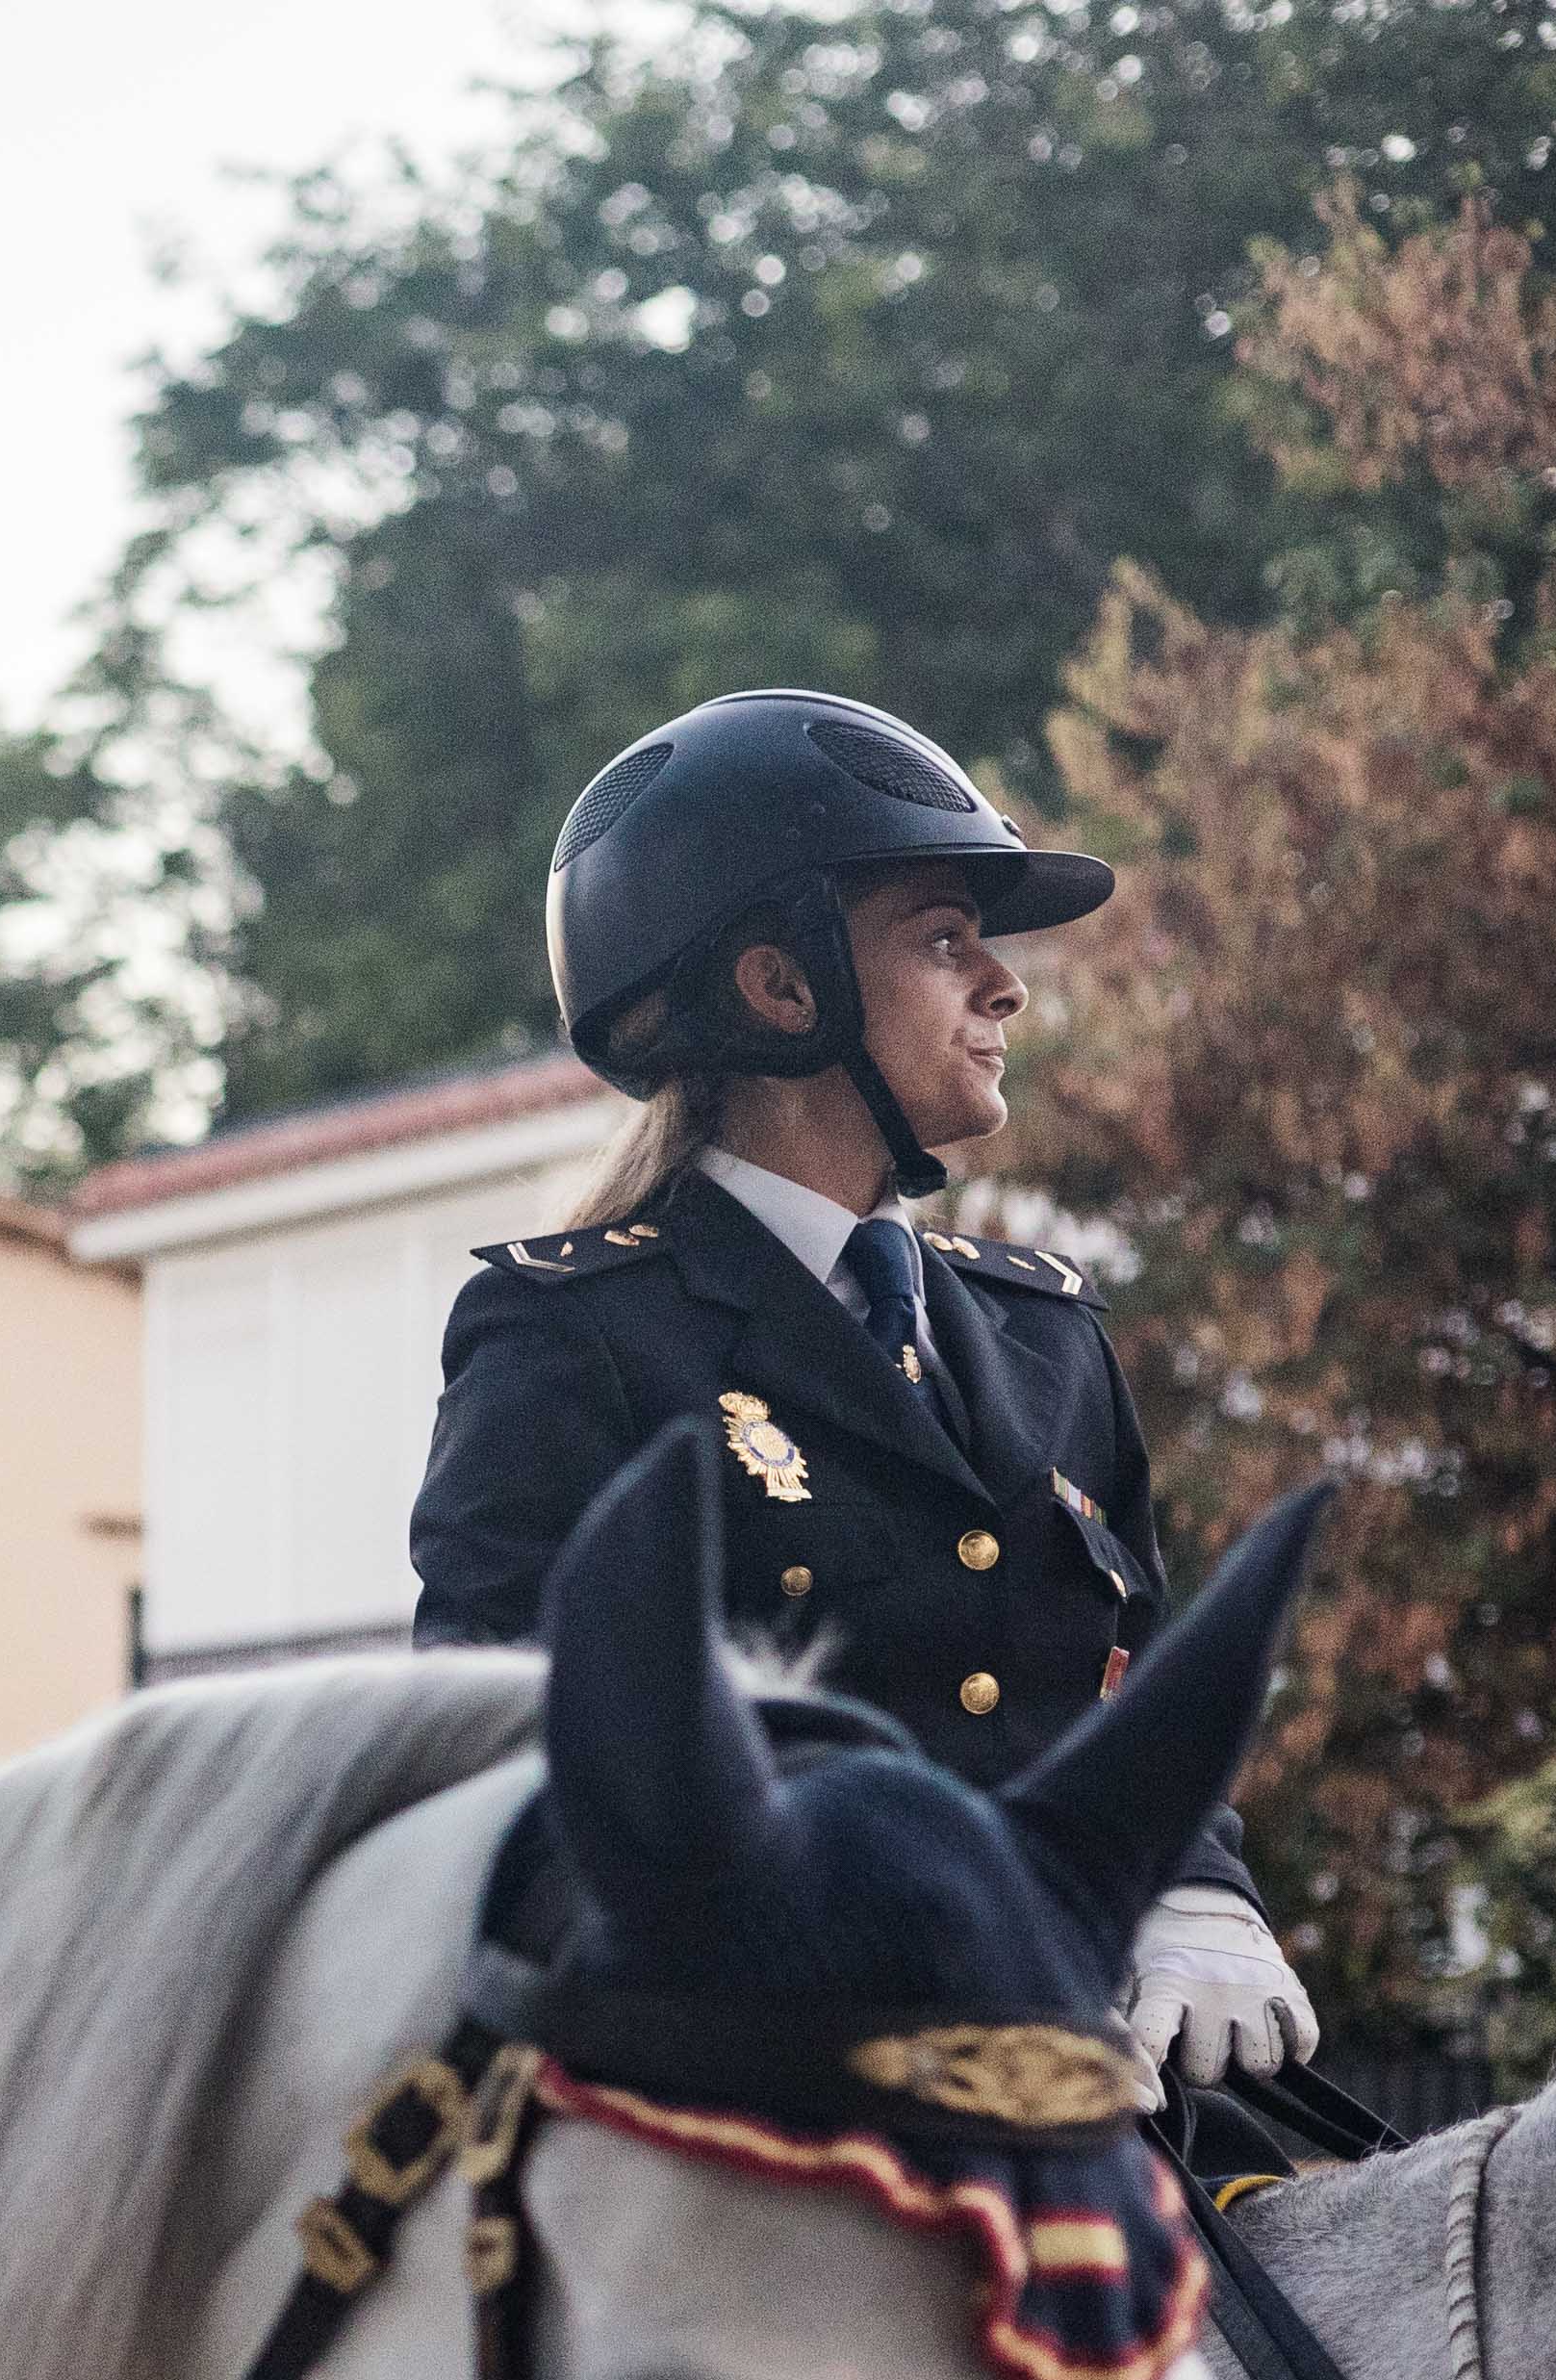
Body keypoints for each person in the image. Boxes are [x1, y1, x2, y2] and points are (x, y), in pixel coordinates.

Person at [412, 684, 1312, 2086]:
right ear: (784, 987)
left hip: (1079, 2057)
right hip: (765, 2101)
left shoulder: (1043, 1334)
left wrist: (1197, 1891)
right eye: (945, 942)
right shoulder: (572, 1333)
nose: (1005, 986)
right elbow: (498, 1757)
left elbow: (1126, 1678)